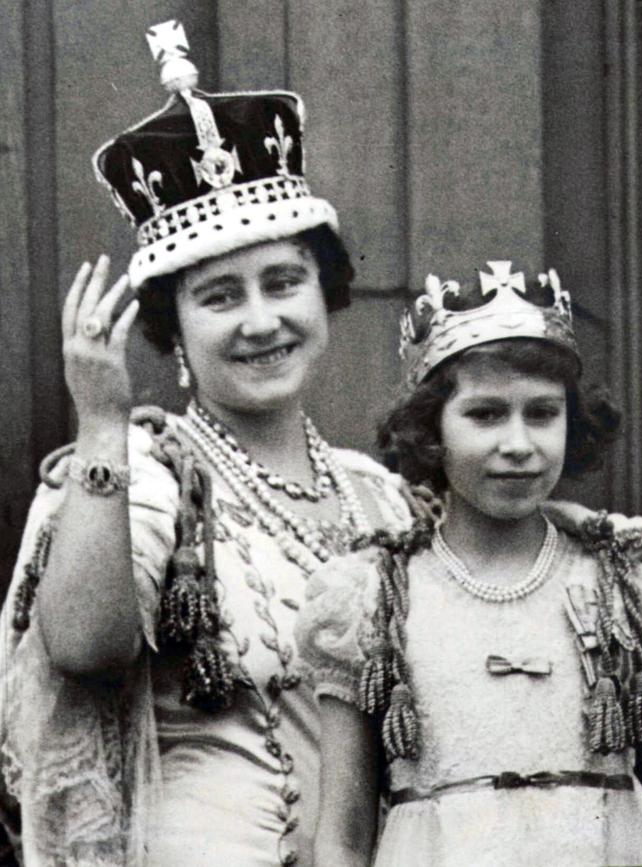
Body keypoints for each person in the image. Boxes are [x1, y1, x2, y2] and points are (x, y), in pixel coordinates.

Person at [0, 21, 411, 867]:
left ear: (323, 295)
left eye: (285, 282)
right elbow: (81, 650)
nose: (263, 320)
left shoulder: (380, 494)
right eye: (221, 296)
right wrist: (101, 424)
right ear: (175, 331)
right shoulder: (144, 475)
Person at [296, 260, 642, 866]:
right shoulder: (374, 597)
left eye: (542, 413)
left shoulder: (623, 575)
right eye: (485, 414)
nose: (518, 444)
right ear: (430, 430)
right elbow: (344, 835)